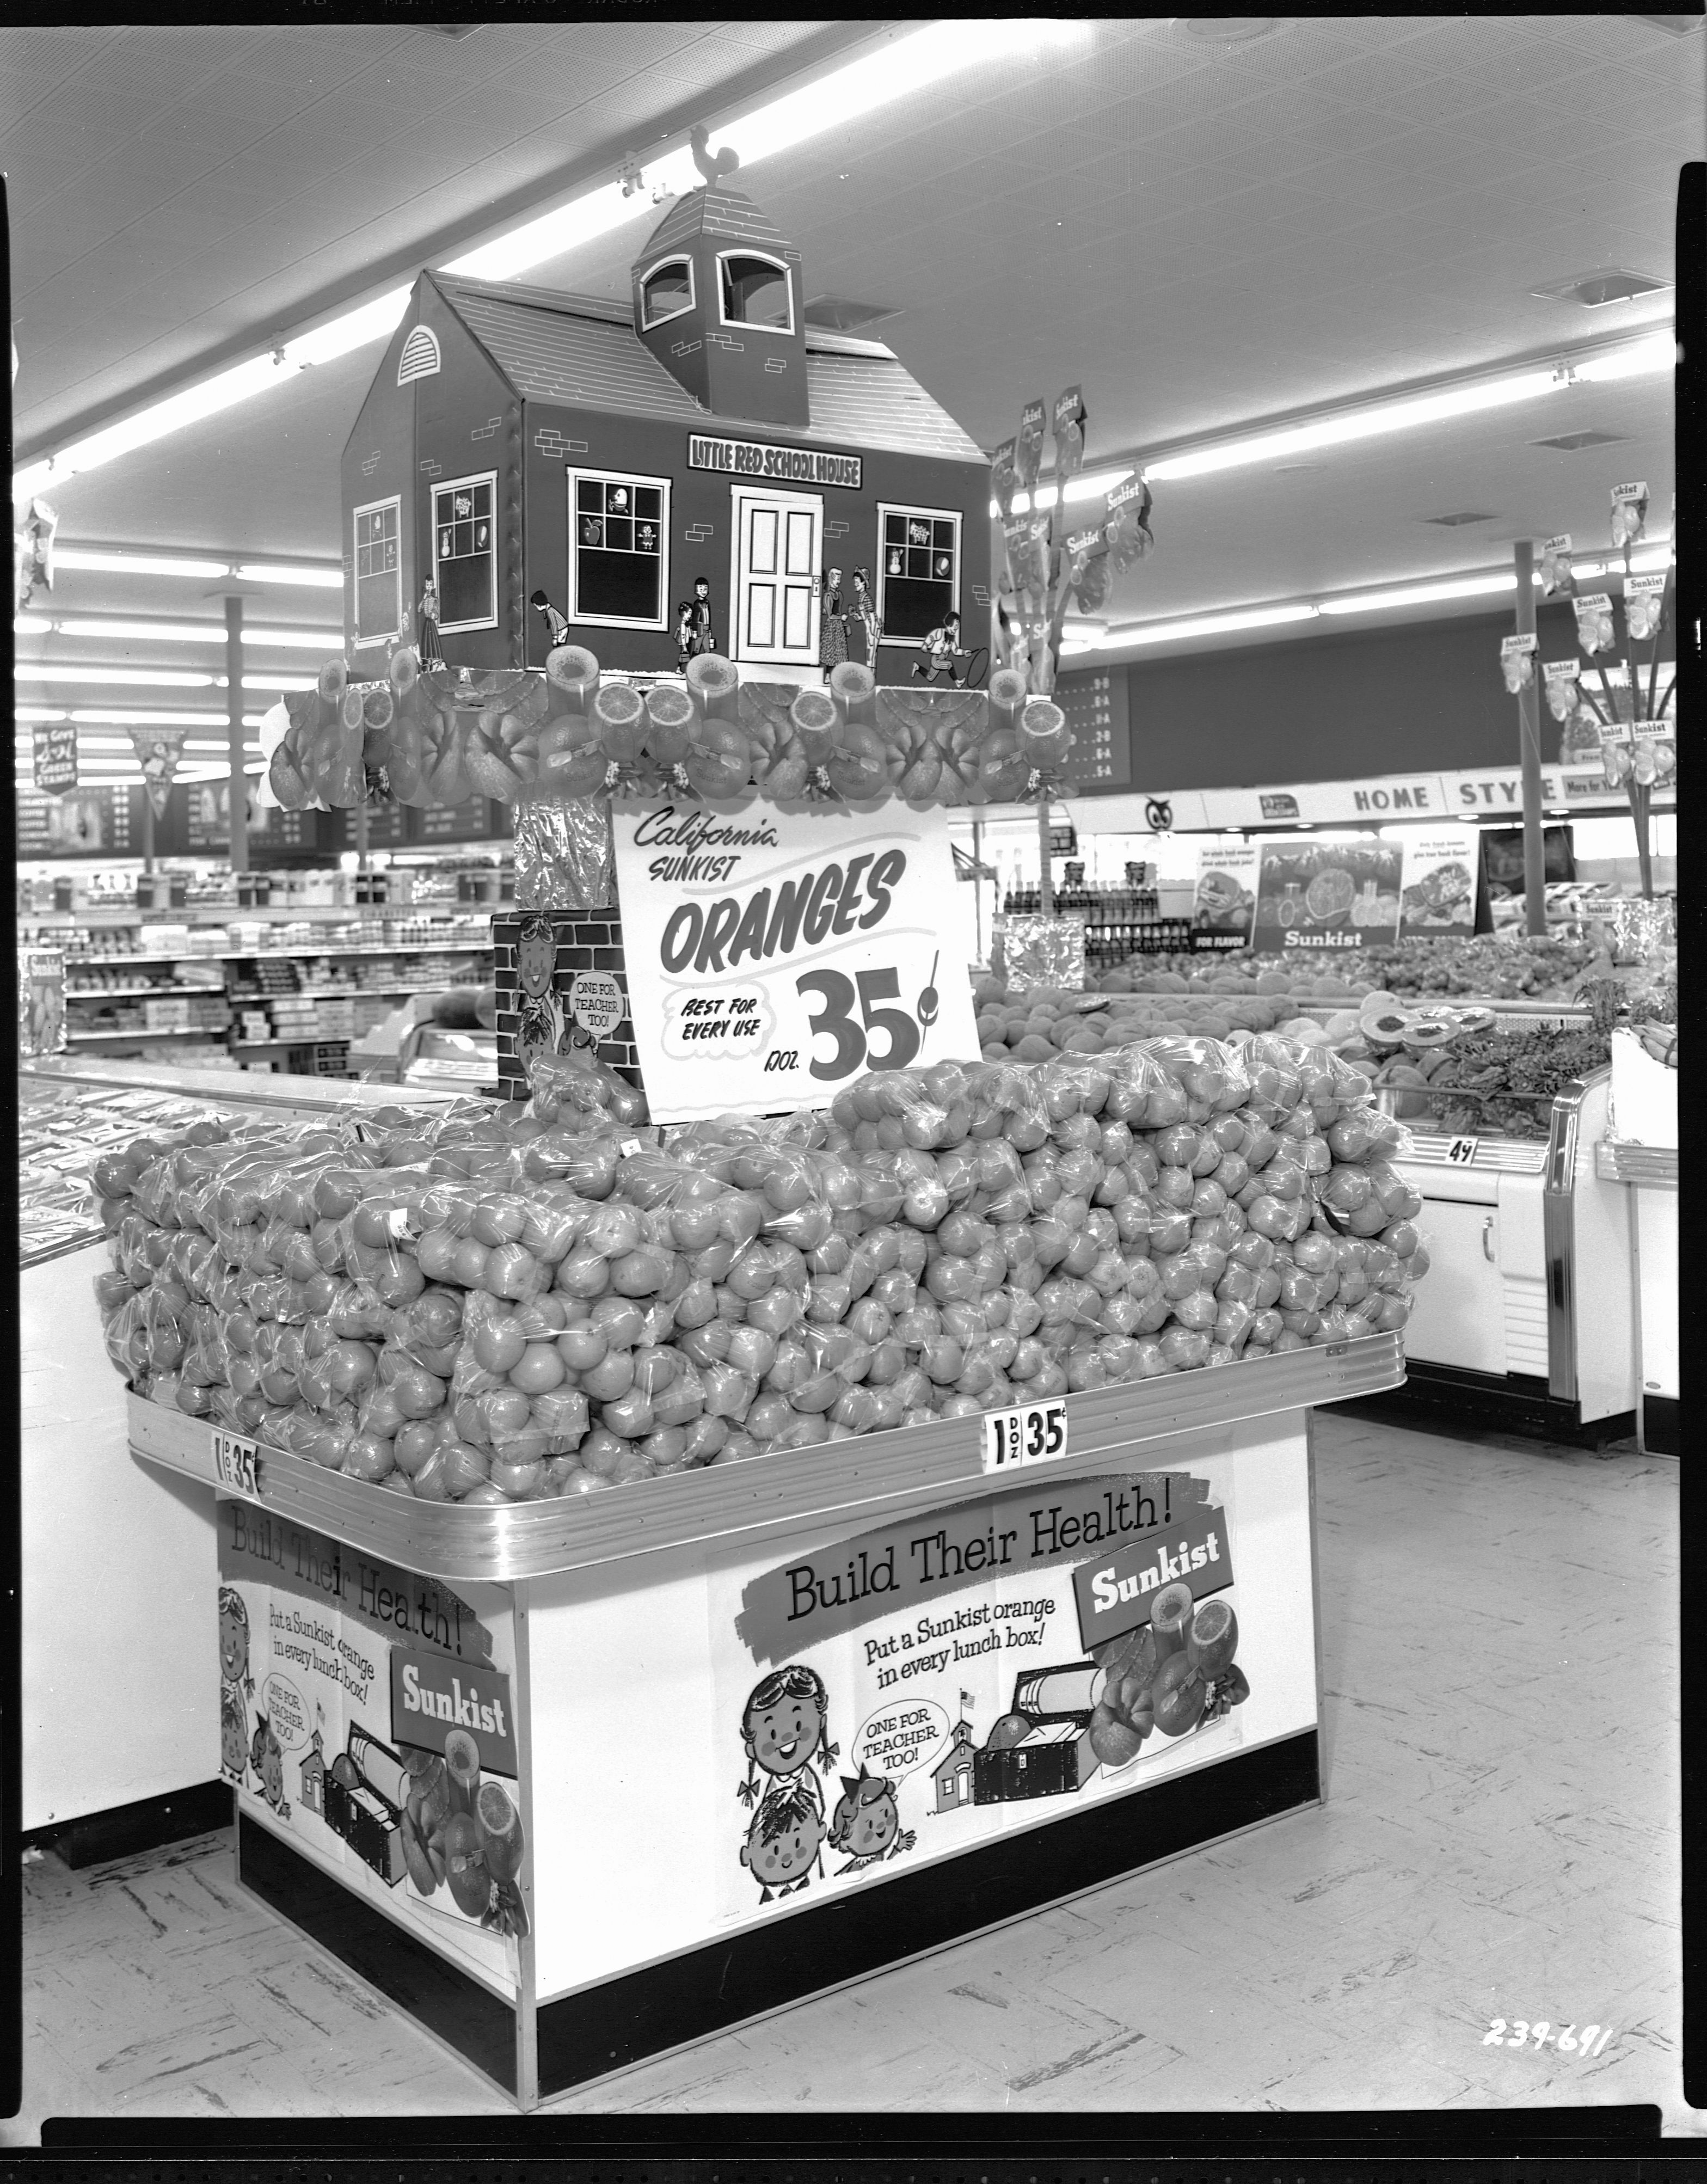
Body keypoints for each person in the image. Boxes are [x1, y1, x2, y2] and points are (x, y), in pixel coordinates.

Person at [735, 1662, 837, 1812]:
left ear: (821, 1722)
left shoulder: (808, 1779)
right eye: (772, 1734)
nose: (787, 1736)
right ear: (751, 1749)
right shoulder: (774, 1787)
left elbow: (817, 1814)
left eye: (798, 1725)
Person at [912, 610, 963, 685]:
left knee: (930, 677)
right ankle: (957, 682)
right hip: (936, 659)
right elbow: (931, 637)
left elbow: (956, 651)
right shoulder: (940, 632)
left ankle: (918, 668)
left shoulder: (952, 639)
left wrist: (964, 652)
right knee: (949, 664)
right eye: (956, 625)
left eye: (958, 626)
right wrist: (925, 645)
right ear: (950, 623)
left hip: (942, 660)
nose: (957, 628)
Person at [817, 566, 846, 672]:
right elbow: (830, 616)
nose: (838, 582)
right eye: (836, 579)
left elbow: (838, 610)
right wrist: (841, 617)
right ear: (831, 580)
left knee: (839, 653)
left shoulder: (839, 595)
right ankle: (828, 675)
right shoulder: (828, 596)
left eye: (839, 579)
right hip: (831, 626)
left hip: (838, 627)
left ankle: (836, 674)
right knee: (830, 653)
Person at [850, 568, 881, 665]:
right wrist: (858, 617)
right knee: (869, 655)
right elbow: (866, 617)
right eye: (855, 582)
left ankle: (871, 676)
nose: (855, 584)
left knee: (871, 656)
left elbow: (873, 619)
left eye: (857, 582)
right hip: (869, 627)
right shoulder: (861, 597)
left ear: (864, 583)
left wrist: (872, 634)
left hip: (873, 628)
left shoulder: (867, 598)